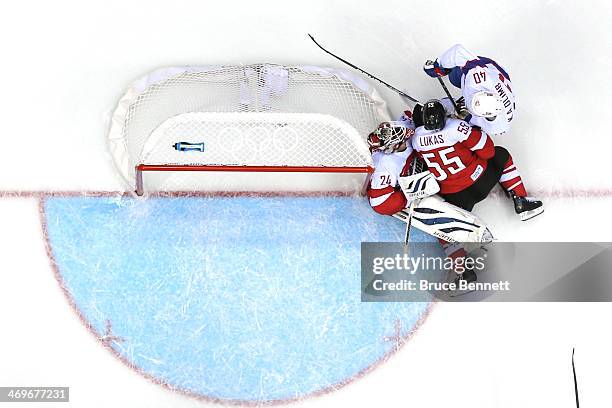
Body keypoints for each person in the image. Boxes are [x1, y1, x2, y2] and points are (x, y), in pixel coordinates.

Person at [410, 100, 543, 220]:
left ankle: (452, 242)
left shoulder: (416, 139)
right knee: (500, 154)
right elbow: (488, 152)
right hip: (480, 183)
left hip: (455, 198)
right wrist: (471, 126)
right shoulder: (456, 127)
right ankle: (521, 200)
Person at [423, 44, 515, 137]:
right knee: (454, 77)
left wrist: (466, 117)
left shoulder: (499, 127)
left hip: (497, 81)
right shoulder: (477, 78)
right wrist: (438, 67)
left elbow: (476, 124)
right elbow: (458, 52)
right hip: (490, 69)